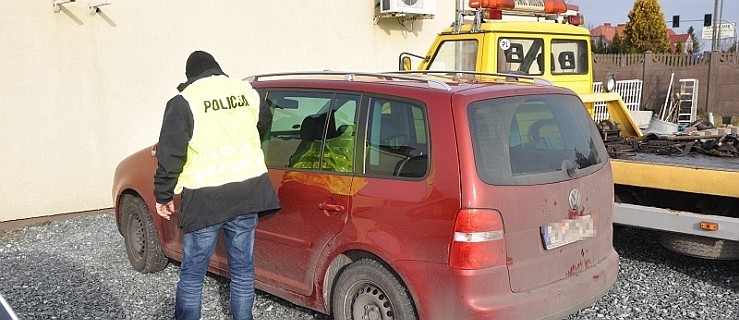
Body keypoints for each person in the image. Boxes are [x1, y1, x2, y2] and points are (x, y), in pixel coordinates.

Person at [153, 50, 280, 320]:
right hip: (248, 192)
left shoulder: (185, 100)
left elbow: (170, 153)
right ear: (217, 68)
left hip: (205, 200)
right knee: (243, 270)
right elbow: (264, 122)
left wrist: (163, 195)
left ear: (190, 76)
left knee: (192, 275)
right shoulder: (246, 91)